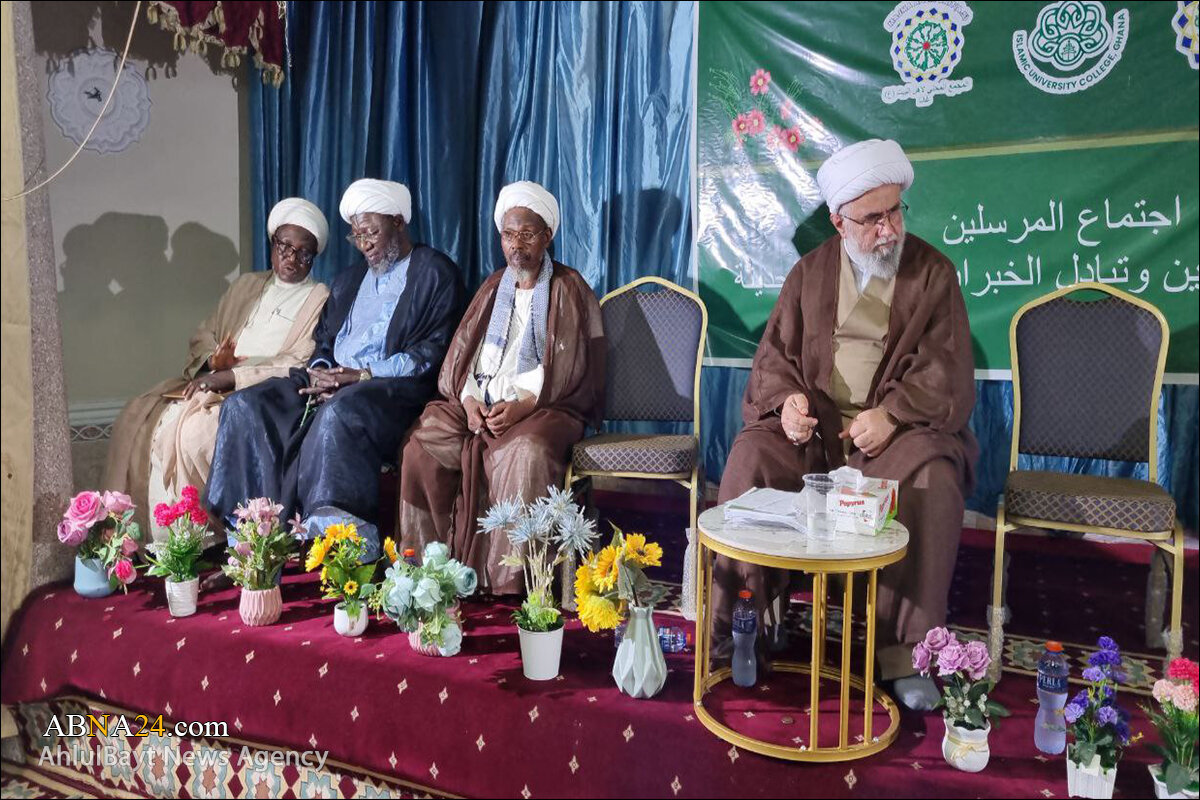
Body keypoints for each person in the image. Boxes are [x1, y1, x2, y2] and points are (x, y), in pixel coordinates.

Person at [715, 140, 978, 710]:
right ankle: (741, 628)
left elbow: (946, 368)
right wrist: (788, 404)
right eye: (872, 218)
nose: (889, 229)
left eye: (895, 211)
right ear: (838, 222)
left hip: (894, 435)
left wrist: (894, 414)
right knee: (750, 459)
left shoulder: (933, 272)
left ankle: (906, 656)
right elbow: (774, 359)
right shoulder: (808, 274)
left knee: (931, 478)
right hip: (816, 435)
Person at [204, 179, 464, 561]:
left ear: (398, 222)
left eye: (371, 232)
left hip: (391, 389)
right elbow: (323, 343)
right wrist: (323, 372)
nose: (364, 244)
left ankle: (344, 544)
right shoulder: (348, 280)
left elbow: (431, 351)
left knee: (340, 411)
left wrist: (360, 376)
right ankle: (254, 534)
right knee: (245, 405)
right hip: (330, 382)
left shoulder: (434, 272)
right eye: (357, 236)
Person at [398, 181, 605, 594]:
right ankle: (429, 567)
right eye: (509, 235)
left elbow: (570, 368)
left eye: (527, 234)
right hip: (482, 403)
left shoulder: (568, 287)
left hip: (546, 407)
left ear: (547, 236)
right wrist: (470, 401)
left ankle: (510, 579)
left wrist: (524, 406)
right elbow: (463, 356)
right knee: (421, 444)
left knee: (525, 452)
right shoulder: (494, 286)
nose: (516, 246)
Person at [103, 198, 331, 542]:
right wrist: (213, 361)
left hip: (260, 394)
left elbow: (299, 361)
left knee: (192, 433)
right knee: (137, 415)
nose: (292, 258)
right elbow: (205, 332)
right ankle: (135, 535)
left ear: (314, 257)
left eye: (304, 253)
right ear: (273, 244)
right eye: (285, 246)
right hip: (214, 378)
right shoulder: (246, 285)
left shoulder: (319, 297)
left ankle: (197, 536)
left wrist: (232, 376)